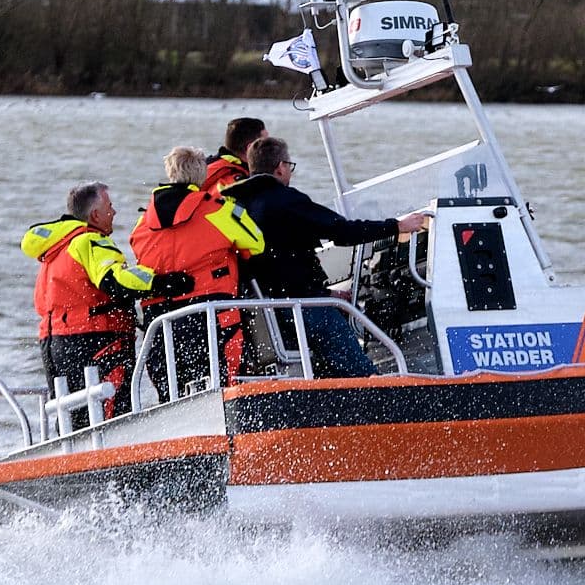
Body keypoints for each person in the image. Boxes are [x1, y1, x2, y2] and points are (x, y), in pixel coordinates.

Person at [225, 136, 428, 376]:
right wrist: (396, 226)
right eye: (289, 166)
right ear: (280, 167)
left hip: (269, 313)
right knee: (364, 376)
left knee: (329, 368)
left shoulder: (237, 205)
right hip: (303, 309)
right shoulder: (286, 201)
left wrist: (327, 293)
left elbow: (276, 266)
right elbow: (342, 232)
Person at [22, 183, 193, 425]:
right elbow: (116, 280)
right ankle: (118, 460)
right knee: (111, 415)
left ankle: (72, 460)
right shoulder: (90, 242)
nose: (114, 213)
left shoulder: (55, 248)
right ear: (95, 215)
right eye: (110, 207)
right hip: (95, 342)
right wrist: (164, 282)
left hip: (56, 344)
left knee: (72, 417)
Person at [131, 147, 266, 395]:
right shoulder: (219, 208)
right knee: (221, 385)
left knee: (171, 390)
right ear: (202, 174)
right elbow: (257, 243)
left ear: (170, 173)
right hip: (210, 314)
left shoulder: (143, 221)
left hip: (160, 320)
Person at [201, 117, 266, 193]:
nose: (270, 148)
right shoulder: (237, 183)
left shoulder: (208, 163)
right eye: (266, 144)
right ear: (250, 148)